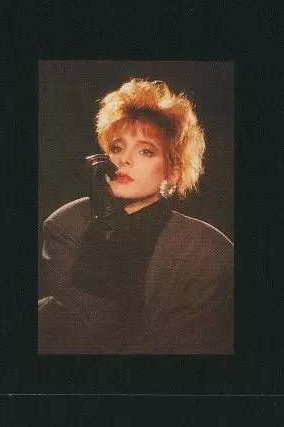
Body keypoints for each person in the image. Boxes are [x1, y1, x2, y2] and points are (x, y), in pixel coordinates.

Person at [38, 78, 233, 354]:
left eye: (146, 151)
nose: (124, 160)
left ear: (172, 172)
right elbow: (88, 333)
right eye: (117, 148)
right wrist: (104, 225)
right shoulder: (67, 224)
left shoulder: (208, 252)